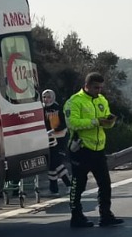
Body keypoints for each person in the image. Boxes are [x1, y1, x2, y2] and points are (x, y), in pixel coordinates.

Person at [65, 72, 121, 228]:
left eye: (101, 87)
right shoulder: (74, 101)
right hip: (81, 149)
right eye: (96, 87)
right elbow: (73, 123)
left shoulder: (101, 100)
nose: (99, 91)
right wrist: (96, 121)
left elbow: (105, 120)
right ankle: (76, 217)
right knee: (79, 184)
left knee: (105, 184)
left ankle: (106, 215)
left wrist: (109, 121)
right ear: (87, 86)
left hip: (98, 148)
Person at [41, 89, 70, 196]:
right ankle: (54, 189)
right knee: (51, 165)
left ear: (53, 97)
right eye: (44, 97)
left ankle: (68, 185)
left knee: (56, 163)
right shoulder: (42, 109)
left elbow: (64, 124)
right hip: (47, 140)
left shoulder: (57, 108)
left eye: (48, 97)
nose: (46, 99)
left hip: (59, 140)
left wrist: (53, 130)